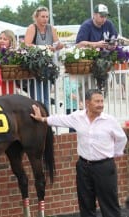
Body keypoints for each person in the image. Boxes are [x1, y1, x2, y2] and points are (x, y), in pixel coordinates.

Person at [30, 89, 127, 217]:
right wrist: (42, 119)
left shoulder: (110, 120)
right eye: (97, 101)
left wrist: (112, 155)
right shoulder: (78, 117)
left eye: (102, 101)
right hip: (83, 167)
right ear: (87, 103)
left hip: (104, 167)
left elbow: (121, 139)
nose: (100, 104)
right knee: (86, 204)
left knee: (109, 205)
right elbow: (60, 119)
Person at [24, 6, 63, 109]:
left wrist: (59, 46)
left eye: (47, 17)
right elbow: (27, 44)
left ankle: (45, 117)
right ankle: (37, 118)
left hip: (49, 65)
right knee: (36, 96)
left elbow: (56, 43)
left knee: (46, 95)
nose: (45, 19)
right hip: (35, 66)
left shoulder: (51, 28)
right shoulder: (32, 28)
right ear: (36, 17)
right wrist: (44, 47)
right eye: (42, 16)